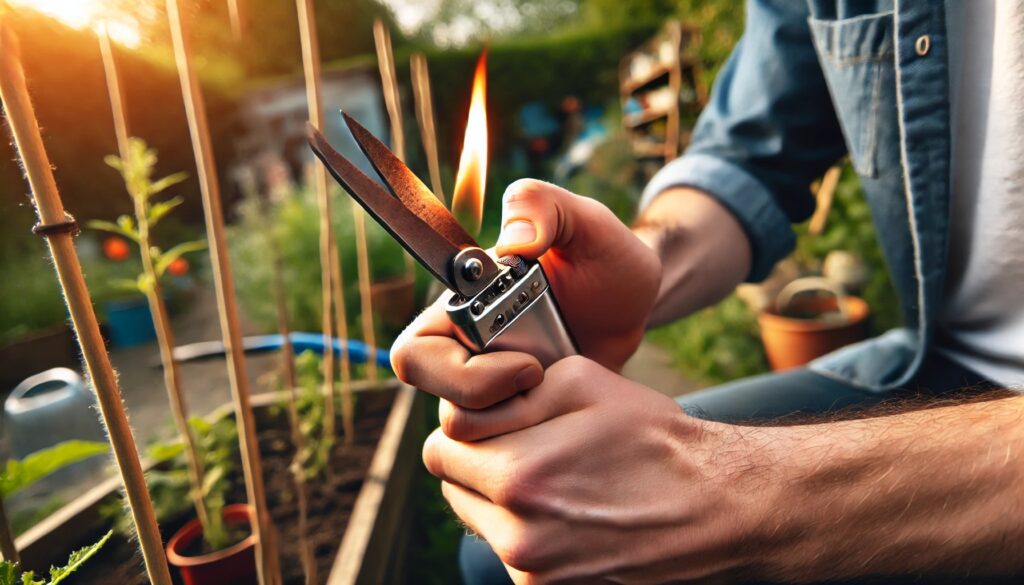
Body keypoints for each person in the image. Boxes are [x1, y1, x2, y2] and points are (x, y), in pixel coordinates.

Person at [391, 1, 1024, 583]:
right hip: (940, 358)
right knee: (502, 550)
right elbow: (750, 157)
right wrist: (646, 265)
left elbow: (753, 499)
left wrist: (757, 492)